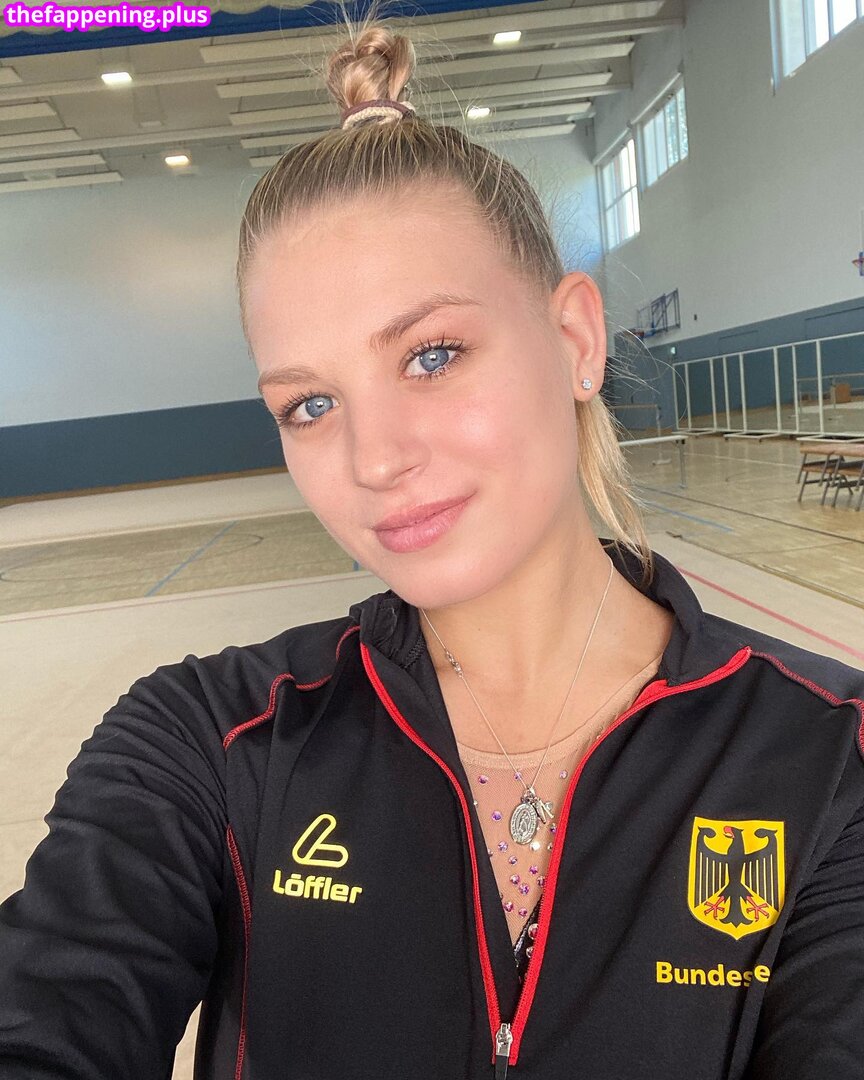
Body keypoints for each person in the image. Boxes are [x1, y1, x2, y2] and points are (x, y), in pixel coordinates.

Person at [2, 8, 864, 1080]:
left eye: (432, 354)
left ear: (576, 339)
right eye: (309, 405)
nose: (375, 459)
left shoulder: (826, 754)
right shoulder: (209, 744)